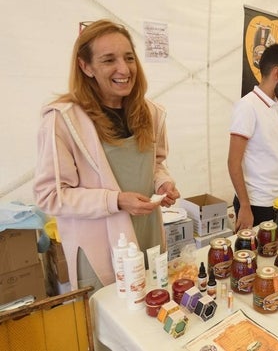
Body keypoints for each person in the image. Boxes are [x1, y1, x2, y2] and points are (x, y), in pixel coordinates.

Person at [33, 20, 180, 293]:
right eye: (108, 60)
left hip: (147, 230)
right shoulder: (64, 121)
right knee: (110, 321)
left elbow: (155, 163)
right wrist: (115, 201)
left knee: (152, 307)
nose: (124, 70)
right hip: (99, 245)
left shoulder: (150, 113)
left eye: (129, 58)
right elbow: (50, 195)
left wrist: (162, 183)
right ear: (85, 66)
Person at [228, 43, 278, 231]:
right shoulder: (247, 106)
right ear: (277, 73)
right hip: (258, 204)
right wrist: (245, 207)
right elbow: (233, 162)